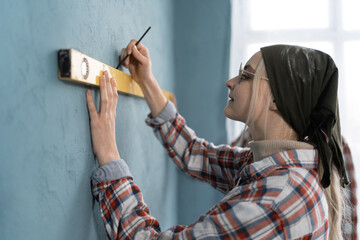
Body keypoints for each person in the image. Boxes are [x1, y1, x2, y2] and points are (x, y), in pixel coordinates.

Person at [86, 41, 349, 239]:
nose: (230, 82)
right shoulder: (278, 167)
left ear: (277, 100)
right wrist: (147, 83)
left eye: (246, 76)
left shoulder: (275, 200)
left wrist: (108, 153)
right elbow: (195, 155)